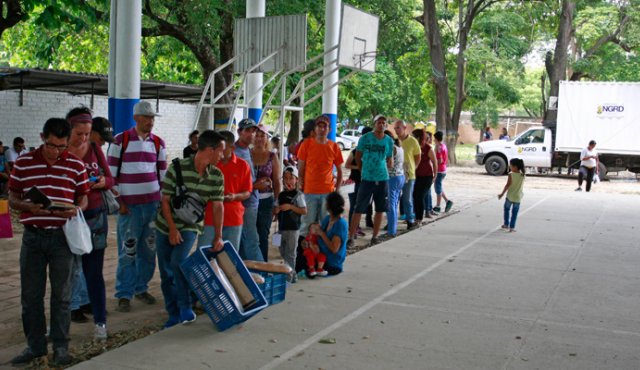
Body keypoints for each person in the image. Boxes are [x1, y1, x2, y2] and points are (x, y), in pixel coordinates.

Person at [8, 118, 89, 366]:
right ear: (43, 137)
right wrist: (26, 205)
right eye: (52, 145)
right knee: (31, 296)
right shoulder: (23, 162)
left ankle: (61, 347)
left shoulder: (75, 164)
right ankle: (35, 346)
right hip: (32, 236)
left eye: (62, 147)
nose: (56, 152)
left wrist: (76, 209)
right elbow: (12, 196)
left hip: (62, 238)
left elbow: (84, 197)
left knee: (62, 296)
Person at [156, 130, 225, 328]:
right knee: (165, 272)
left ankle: (186, 307)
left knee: (178, 262)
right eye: (220, 151)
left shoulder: (217, 176)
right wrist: (171, 229)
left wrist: (218, 235)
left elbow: (218, 205)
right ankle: (173, 313)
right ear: (210, 150)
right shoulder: (177, 167)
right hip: (164, 225)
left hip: (190, 226)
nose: (222, 155)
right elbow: (165, 200)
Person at [108, 100, 167, 313]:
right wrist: (120, 204)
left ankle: (141, 288)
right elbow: (110, 178)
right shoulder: (120, 141)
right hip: (130, 209)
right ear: (136, 118)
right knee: (128, 251)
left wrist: (162, 204)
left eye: (152, 118)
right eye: (146, 117)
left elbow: (163, 177)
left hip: (152, 206)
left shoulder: (159, 143)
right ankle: (124, 293)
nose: (150, 122)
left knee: (149, 251)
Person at [66, 108, 116, 341]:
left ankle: (100, 323)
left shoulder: (96, 150)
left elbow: (110, 179)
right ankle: (62, 322)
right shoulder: (61, 152)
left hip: (95, 218)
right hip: (67, 219)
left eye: (87, 134)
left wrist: (103, 182)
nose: (84, 139)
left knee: (93, 272)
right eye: (80, 133)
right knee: (66, 272)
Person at [199, 130, 252, 251]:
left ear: (232, 148)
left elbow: (247, 192)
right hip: (210, 218)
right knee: (204, 254)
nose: (220, 152)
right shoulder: (209, 164)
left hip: (233, 218)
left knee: (229, 259)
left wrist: (234, 196)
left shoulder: (243, 165)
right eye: (217, 148)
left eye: (223, 148)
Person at [348, 115, 393, 246]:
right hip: (367, 179)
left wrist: (389, 165)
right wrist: (363, 170)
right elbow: (358, 155)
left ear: (386, 125)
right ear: (374, 124)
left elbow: (390, 158)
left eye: (384, 123)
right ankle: (351, 237)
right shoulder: (365, 138)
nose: (381, 124)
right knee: (358, 208)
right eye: (379, 122)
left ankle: (375, 236)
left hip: (383, 178)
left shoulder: (389, 140)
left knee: (380, 209)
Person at [297, 115, 343, 236]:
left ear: (330, 129)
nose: (322, 129)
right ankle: (304, 252)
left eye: (325, 126)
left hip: (327, 192)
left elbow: (340, 172)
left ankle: (323, 251)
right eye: (319, 126)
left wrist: (336, 191)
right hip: (309, 191)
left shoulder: (334, 147)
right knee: (307, 224)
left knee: (326, 223)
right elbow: (300, 167)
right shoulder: (306, 145)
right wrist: (300, 183)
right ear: (315, 129)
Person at [234, 118, 263, 261]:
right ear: (239, 132)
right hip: (241, 203)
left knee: (246, 241)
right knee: (251, 241)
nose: (251, 134)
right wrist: (256, 185)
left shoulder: (249, 151)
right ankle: (262, 276)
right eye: (247, 131)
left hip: (252, 201)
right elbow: (235, 183)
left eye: (253, 131)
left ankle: (248, 275)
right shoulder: (234, 153)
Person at [252, 124, 281, 261]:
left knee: (263, 235)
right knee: (249, 235)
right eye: (256, 135)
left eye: (261, 135)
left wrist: (276, 202)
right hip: (248, 200)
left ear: (266, 138)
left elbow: (276, 181)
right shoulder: (247, 153)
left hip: (266, 201)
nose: (258, 138)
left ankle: (263, 266)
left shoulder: (272, 156)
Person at [274, 166, 307, 282]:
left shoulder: (298, 195)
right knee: (282, 251)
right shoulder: (281, 195)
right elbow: (276, 208)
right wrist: (277, 210)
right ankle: (290, 272)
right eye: (286, 178)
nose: (288, 181)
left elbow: (304, 210)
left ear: (296, 180)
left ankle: (290, 276)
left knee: (291, 253)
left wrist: (291, 207)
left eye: (291, 179)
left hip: (293, 229)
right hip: (281, 227)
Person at [311, 191, 348, 275]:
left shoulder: (340, 224)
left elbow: (334, 249)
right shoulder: (327, 219)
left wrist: (322, 234)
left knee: (304, 264)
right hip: (321, 256)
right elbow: (318, 235)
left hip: (332, 264)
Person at [345, 127, 372, 238]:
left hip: (365, 181)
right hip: (354, 181)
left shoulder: (371, 150)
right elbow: (347, 165)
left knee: (360, 206)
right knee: (354, 206)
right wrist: (359, 167)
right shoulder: (355, 151)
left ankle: (356, 227)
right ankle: (352, 228)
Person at [394, 120, 421, 228]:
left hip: (408, 175)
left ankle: (410, 220)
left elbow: (418, 157)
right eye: (395, 128)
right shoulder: (393, 141)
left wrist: (414, 168)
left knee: (407, 198)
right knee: (393, 199)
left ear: (405, 128)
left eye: (398, 128)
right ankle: (392, 220)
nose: (396, 130)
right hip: (395, 174)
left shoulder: (413, 141)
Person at [413, 129, 438, 224]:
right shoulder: (414, 147)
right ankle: (416, 216)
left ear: (418, 137)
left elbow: (435, 162)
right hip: (416, 176)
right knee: (415, 196)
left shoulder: (428, 148)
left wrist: (435, 175)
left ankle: (419, 218)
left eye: (414, 136)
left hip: (426, 177)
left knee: (420, 196)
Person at [385, 130, 404, 238]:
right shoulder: (399, 146)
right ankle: (393, 227)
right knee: (394, 204)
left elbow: (389, 164)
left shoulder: (391, 148)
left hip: (392, 177)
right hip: (400, 177)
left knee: (390, 205)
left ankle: (391, 231)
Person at [499, 158, 525, 232]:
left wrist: (502, 193)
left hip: (510, 196)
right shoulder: (523, 175)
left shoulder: (511, 174)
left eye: (511, 165)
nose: (510, 167)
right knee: (515, 213)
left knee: (506, 210)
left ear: (515, 167)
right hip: (518, 197)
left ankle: (506, 224)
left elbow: (507, 185)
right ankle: (512, 227)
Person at [433, 131, 453, 213]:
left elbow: (440, 160)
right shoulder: (443, 145)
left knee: (437, 188)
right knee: (439, 186)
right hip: (443, 169)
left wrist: (433, 162)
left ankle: (438, 206)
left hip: (439, 170)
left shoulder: (439, 147)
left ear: (436, 139)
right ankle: (447, 201)